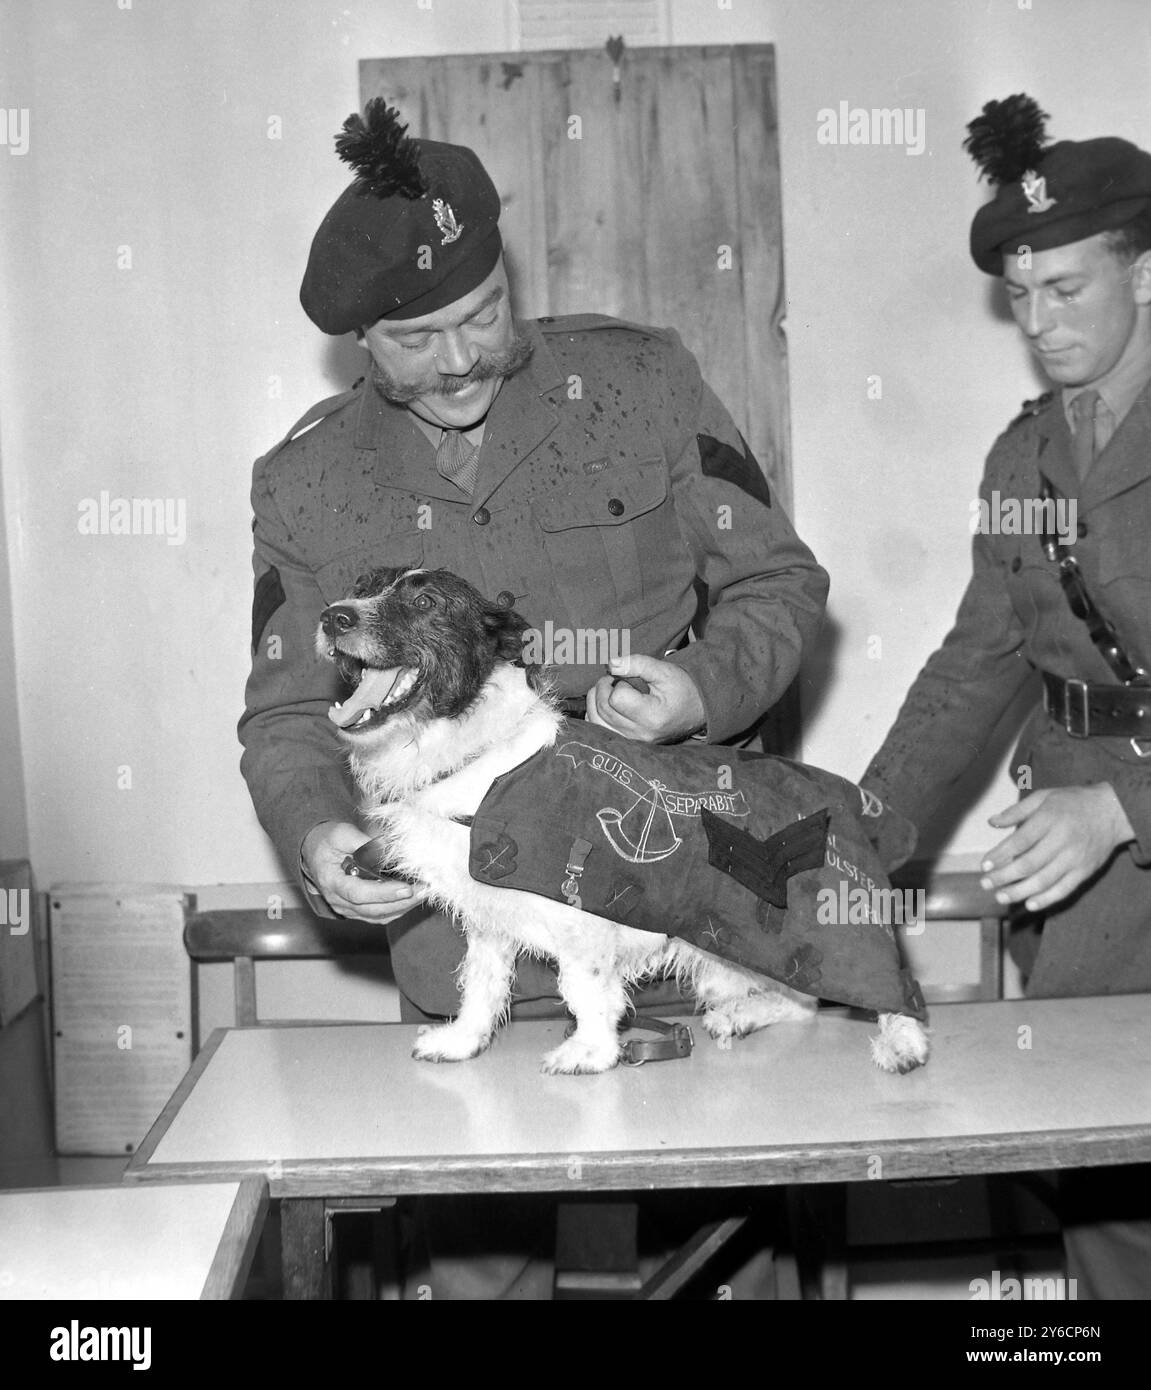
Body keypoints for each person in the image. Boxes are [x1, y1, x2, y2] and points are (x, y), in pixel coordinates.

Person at [238, 99, 828, 1296]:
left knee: (722, 1260)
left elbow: (776, 577)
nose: (459, 359)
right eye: (415, 339)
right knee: (485, 1278)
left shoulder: (641, 383)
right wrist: (318, 833)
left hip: (674, 919)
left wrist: (699, 688)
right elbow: (290, 712)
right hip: (476, 959)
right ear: (357, 338)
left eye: (482, 316)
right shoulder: (306, 481)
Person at [862, 95, 1151, 1299]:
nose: (1036, 324)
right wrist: (850, 831)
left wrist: (1124, 805)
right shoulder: (1022, 457)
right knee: (1106, 1185)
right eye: (1018, 297)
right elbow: (973, 669)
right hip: (1074, 861)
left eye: (1066, 291)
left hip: (1113, 818)